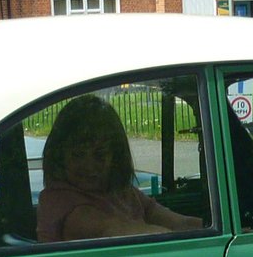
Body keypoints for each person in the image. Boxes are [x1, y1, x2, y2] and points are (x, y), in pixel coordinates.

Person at [36, 95, 203, 242]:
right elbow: (112, 230)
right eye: (78, 155)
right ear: (60, 155)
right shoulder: (61, 202)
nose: (89, 165)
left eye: (100, 155)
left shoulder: (124, 193)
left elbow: (181, 223)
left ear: (115, 156)